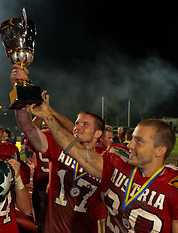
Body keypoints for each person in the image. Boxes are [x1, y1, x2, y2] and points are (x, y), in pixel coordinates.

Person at [30, 107, 178, 232]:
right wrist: (48, 117)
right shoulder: (118, 162)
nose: (130, 145)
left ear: (160, 150)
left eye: (139, 141)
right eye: (132, 139)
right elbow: (77, 150)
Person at [11, 64, 106, 233]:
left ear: (98, 133)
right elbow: (27, 127)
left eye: (85, 124)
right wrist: (19, 88)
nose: (78, 127)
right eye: (77, 123)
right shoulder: (59, 145)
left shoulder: (105, 160)